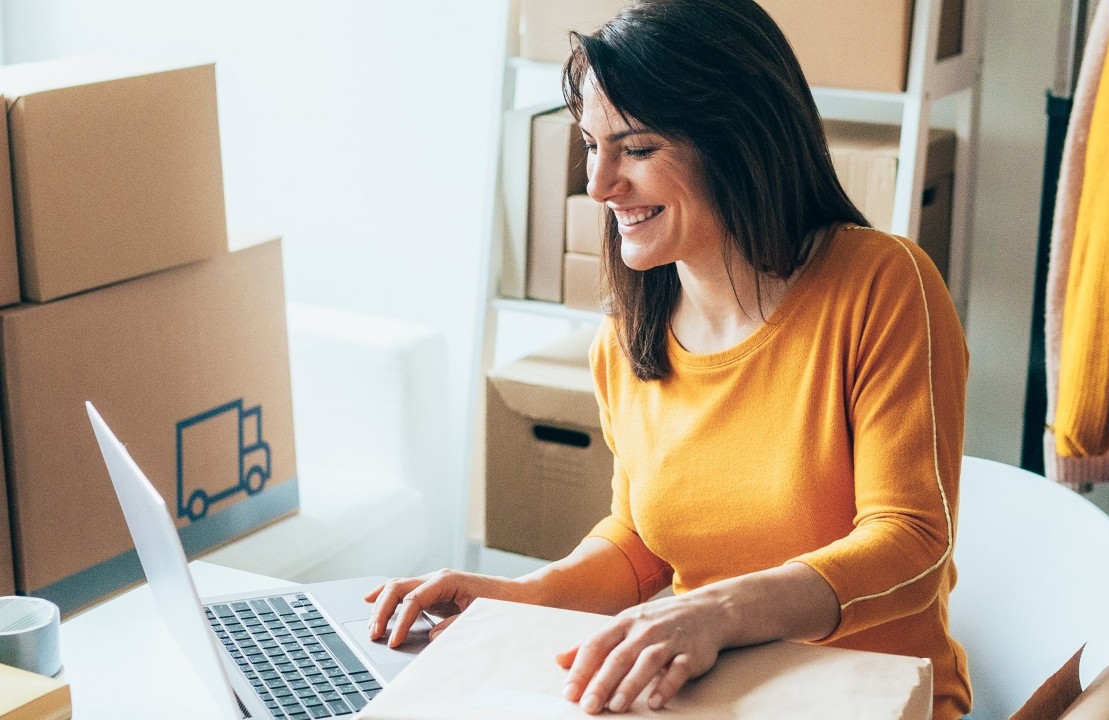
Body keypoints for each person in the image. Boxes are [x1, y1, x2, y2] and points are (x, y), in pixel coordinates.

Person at [366, 0, 972, 717]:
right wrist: (517, 598)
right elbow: (640, 543)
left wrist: (714, 613)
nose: (598, 185)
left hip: (874, 699)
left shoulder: (882, 286)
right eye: (592, 146)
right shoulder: (627, 337)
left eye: (637, 149)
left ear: (739, 142)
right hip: (709, 698)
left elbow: (911, 548)